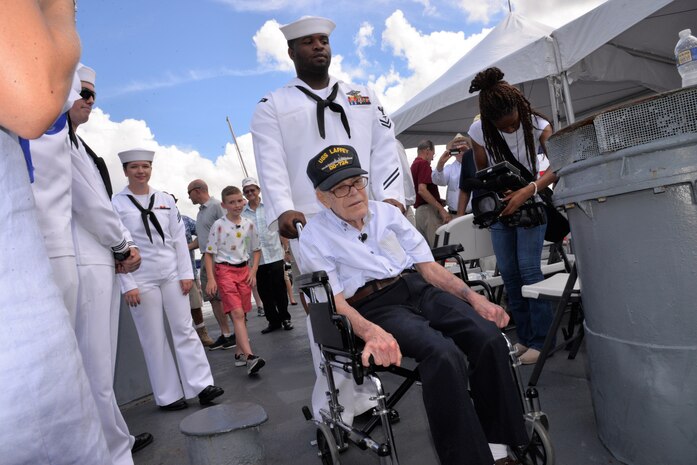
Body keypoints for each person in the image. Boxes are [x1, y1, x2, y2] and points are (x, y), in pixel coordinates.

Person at [296, 145, 527, 465]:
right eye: (341, 188)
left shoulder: (388, 214)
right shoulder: (314, 237)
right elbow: (335, 303)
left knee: (487, 335)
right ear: (323, 197)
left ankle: (500, 445)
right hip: (371, 305)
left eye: (358, 182)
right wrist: (370, 332)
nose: (354, 193)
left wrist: (474, 299)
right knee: (441, 352)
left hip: (416, 287)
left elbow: (429, 268)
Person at [250, 15, 405, 424]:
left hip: (364, 217)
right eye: (308, 42)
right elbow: (270, 164)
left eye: (323, 40)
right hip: (312, 223)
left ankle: (370, 393)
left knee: (376, 295)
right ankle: (335, 401)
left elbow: (385, 148)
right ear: (291, 52)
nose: (318, 47)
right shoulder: (272, 106)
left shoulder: (362, 95)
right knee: (327, 310)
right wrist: (282, 208)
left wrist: (391, 198)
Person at [0, 1, 112, 463]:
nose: (85, 101)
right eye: (81, 93)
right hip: (31, 266)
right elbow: (33, 93)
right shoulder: (51, 129)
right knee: (56, 420)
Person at [69, 64, 154, 463]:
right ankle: (110, 451)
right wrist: (122, 246)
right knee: (94, 366)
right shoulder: (55, 140)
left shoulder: (79, 146)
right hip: (83, 260)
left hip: (97, 258)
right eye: (82, 93)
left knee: (99, 367)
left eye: (92, 95)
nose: (89, 101)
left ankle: (114, 439)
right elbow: (89, 203)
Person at [113, 149, 224, 410]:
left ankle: (201, 386)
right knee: (152, 336)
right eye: (135, 167)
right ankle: (168, 395)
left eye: (146, 166)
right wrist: (127, 283)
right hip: (140, 276)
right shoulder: (116, 203)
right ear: (125, 171)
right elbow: (115, 244)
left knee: (184, 328)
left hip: (171, 272)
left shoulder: (164, 199)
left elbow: (178, 239)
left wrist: (187, 274)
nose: (141, 171)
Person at [467, 67, 557, 364]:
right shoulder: (478, 132)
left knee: (529, 271)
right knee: (509, 272)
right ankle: (527, 338)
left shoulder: (539, 124)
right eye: (502, 127)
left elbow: (558, 166)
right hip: (502, 210)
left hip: (532, 204)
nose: (509, 130)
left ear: (520, 106)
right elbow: (481, 174)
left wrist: (527, 191)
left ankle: (543, 341)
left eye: (513, 124)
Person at [203, 186, 266, 376]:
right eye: (232, 202)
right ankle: (250, 356)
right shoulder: (219, 226)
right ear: (224, 205)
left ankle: (239, 353)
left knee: (243, 315)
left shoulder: (249, 224)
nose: (237, 205)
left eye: (239, 201)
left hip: (243, 271)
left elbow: (256, 249)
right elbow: (209, 254)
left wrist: (253, 270)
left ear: (244, 201)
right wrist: (211, 279)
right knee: (237, 313)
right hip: (224, 271)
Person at [187, 179, 237, 350]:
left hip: (219, 258)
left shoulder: (216, 206)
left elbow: (230, 228)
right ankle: (226, 335)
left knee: (226, 297)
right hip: (206, 258)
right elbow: (202, 238)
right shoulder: (200, 213)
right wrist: (184, 248)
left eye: (189, 193)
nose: (189, 197)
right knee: (214, 298)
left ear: (198, 190)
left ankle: (238, 334)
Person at [241, 177, 294, 334]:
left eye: (253, 190)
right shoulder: (243, 214)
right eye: (247, 191)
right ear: (244, 194)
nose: (250, 193)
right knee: (264, 292)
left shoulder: (270, 208)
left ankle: (285, 318)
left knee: (280, 290)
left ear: (258, 190)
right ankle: (273, 321)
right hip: (256, 259)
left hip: (275, 254)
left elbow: (281, 230)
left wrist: (286, 250)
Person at [174, 197, 214, 347]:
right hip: (167, 275)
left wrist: (188, 247)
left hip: (188, 272)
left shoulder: (185, 221)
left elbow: (203, 233)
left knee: (195, 306)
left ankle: (202, 333)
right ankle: (182, 339)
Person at [411, 139, 451, 247]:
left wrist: (438, 200)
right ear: (427, 150)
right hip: (428, 212)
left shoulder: (414, 165)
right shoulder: (423, 164)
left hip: (419, 213)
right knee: (439, 248)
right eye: (433, 154)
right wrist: (441, 209)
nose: (433, 158)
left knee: (427, 251)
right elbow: (422, 190)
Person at [432, 133, 470, 216]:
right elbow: (439, 181)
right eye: (456, 146)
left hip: (473, 214)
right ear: (452, 151)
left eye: (462, 145)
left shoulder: (475, 164)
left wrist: (469, 154)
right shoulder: (449, 168)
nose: (459, 148)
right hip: (454, 214)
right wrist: (440, 164)